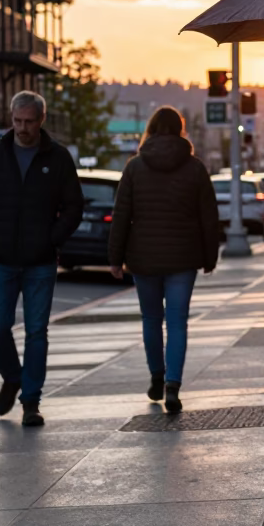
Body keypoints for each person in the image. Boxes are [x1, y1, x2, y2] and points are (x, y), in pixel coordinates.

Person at [0, 90, 82, 428]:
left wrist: (52, 239)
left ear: (41, 120)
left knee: (36, 332)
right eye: (17, 121)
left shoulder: (57, 157)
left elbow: (74, 206)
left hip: (40, 261)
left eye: (29, 122)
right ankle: (12, 376)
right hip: (0, 258)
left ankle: (31, 400)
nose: (22, 128)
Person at [108, 106, 220, 414]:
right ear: (180, 130)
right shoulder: (195, 168)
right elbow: (208, 217)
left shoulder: (134, 168)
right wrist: (210, 256)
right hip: (183, 257)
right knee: (177, 322)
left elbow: (121, 216)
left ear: (152, 129)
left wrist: (115, 258)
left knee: (151, 320)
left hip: (143, 258)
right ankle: (173, 385)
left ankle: (156, 375)